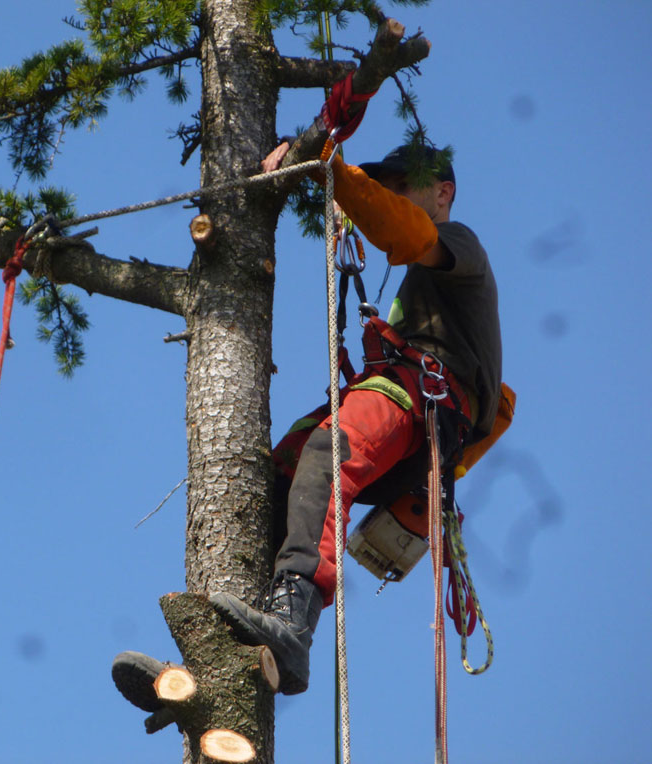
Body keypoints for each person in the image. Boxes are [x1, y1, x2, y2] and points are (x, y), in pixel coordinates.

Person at [209, 141, 504, 695]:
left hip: (426, 403)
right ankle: (242, 633)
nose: (388, 195)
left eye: (402, 185)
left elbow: (405, 233)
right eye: (383, 186)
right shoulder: (417, 285)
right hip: (406, 404)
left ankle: (294, 621)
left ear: (443, 193)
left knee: (329, 448)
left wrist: (337, 174)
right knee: (287, 462)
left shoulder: (460, 245)